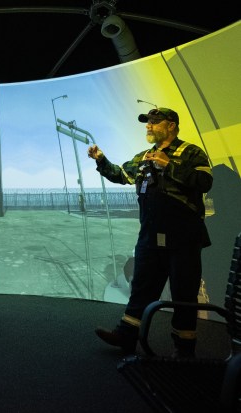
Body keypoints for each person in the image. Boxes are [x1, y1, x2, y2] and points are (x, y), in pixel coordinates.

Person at [88, 107, 212, 358]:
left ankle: (184, 349)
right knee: (142, 288)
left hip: (184, 238)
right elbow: (120, 175)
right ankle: (126, 336)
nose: (149, 126)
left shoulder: (190, 152)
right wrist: (101, 159)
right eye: (147, 122)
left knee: (183, 294)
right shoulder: (143, 157)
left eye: (155, 122)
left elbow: (204, 182)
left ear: (172, 126)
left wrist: (170, 167)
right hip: (150, 236)